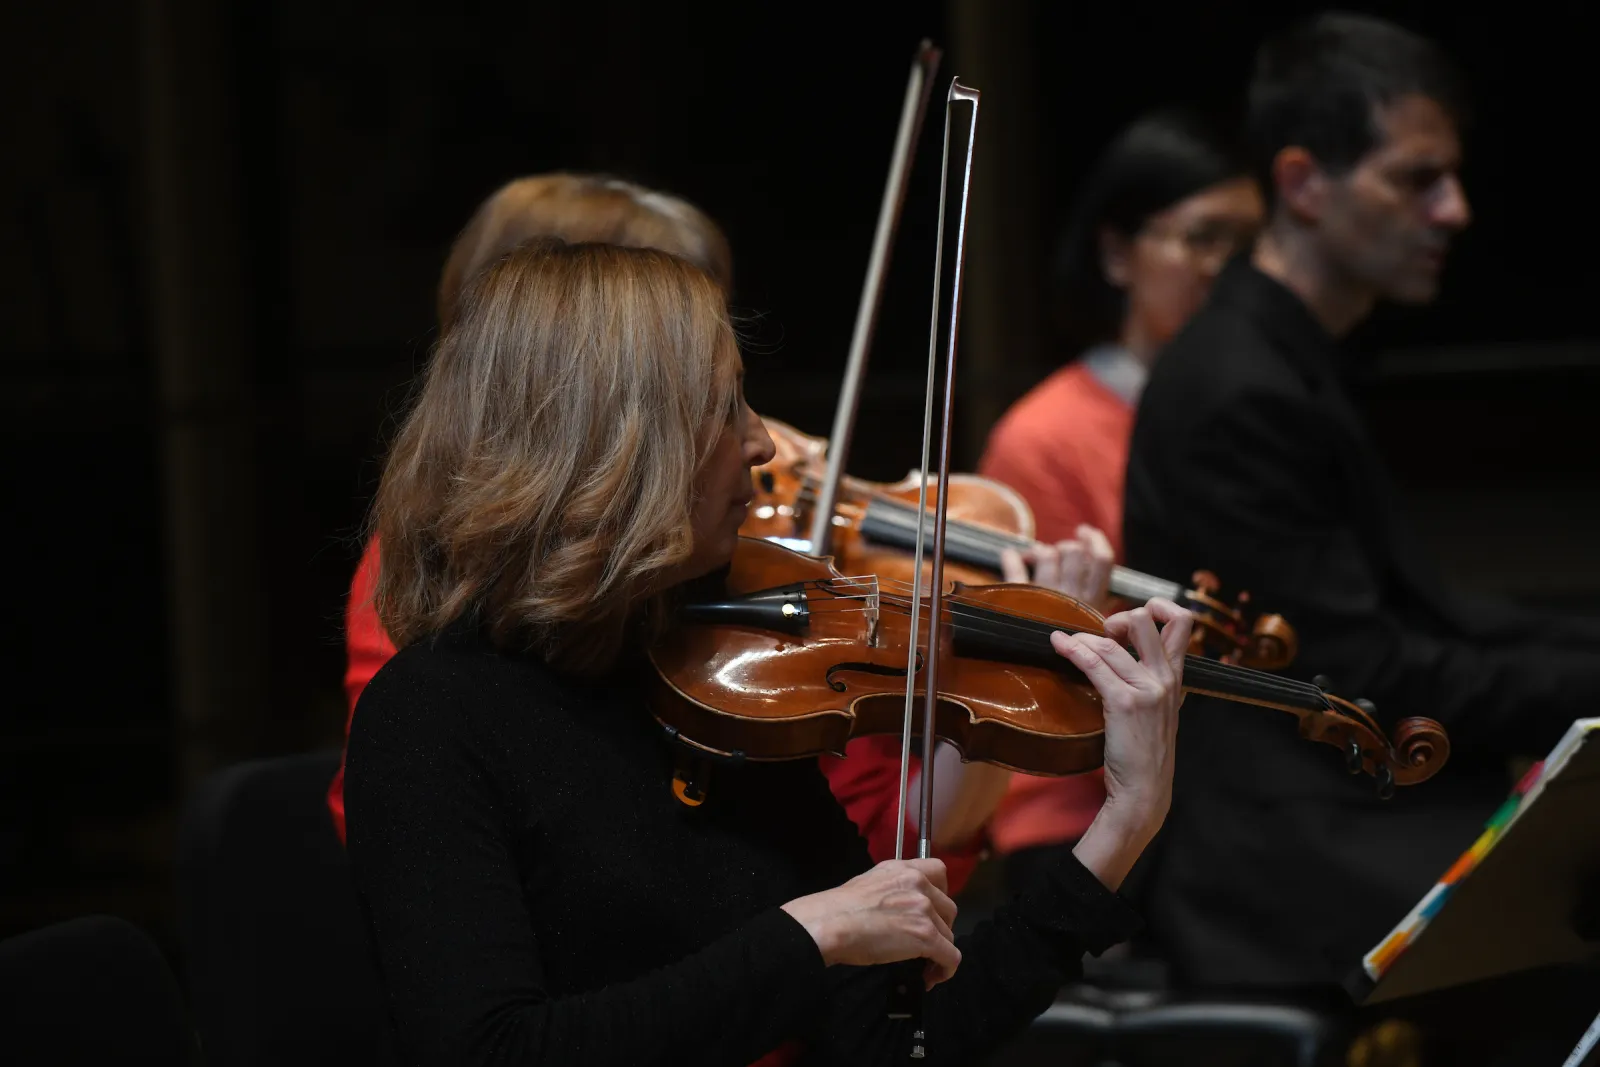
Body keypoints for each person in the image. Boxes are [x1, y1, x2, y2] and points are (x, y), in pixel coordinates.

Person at [344, 238, 1192, 1065]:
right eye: (726, 407)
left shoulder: (717, 679)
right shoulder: (431, 716)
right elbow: (491, 1047)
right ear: (613, 447)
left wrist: (1121, 825)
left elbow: (896, 1042)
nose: (762, 443)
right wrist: (811, 934)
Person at [332, 172, 1118, 902]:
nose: (769, 443)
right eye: (682, 367)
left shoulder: (726, 612)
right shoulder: (445, 686)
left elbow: (878, 861)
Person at [1121, 11, 1600, 1054]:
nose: (1453, 210)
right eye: (1415, 179)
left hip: (1336, 796)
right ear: (1302, 181)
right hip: (1279, 838)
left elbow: (1416, 612)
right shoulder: (1237, 384)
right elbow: (1359, 668)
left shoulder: (1284, 356)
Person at [976, 109, 1262, 891]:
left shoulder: (1258, 417)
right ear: (1115, 252)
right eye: (1203, 238)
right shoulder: (1045, 435)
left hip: (1217, 791)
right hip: (1085, 814)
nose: (1230, 270)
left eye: (1249, 243)